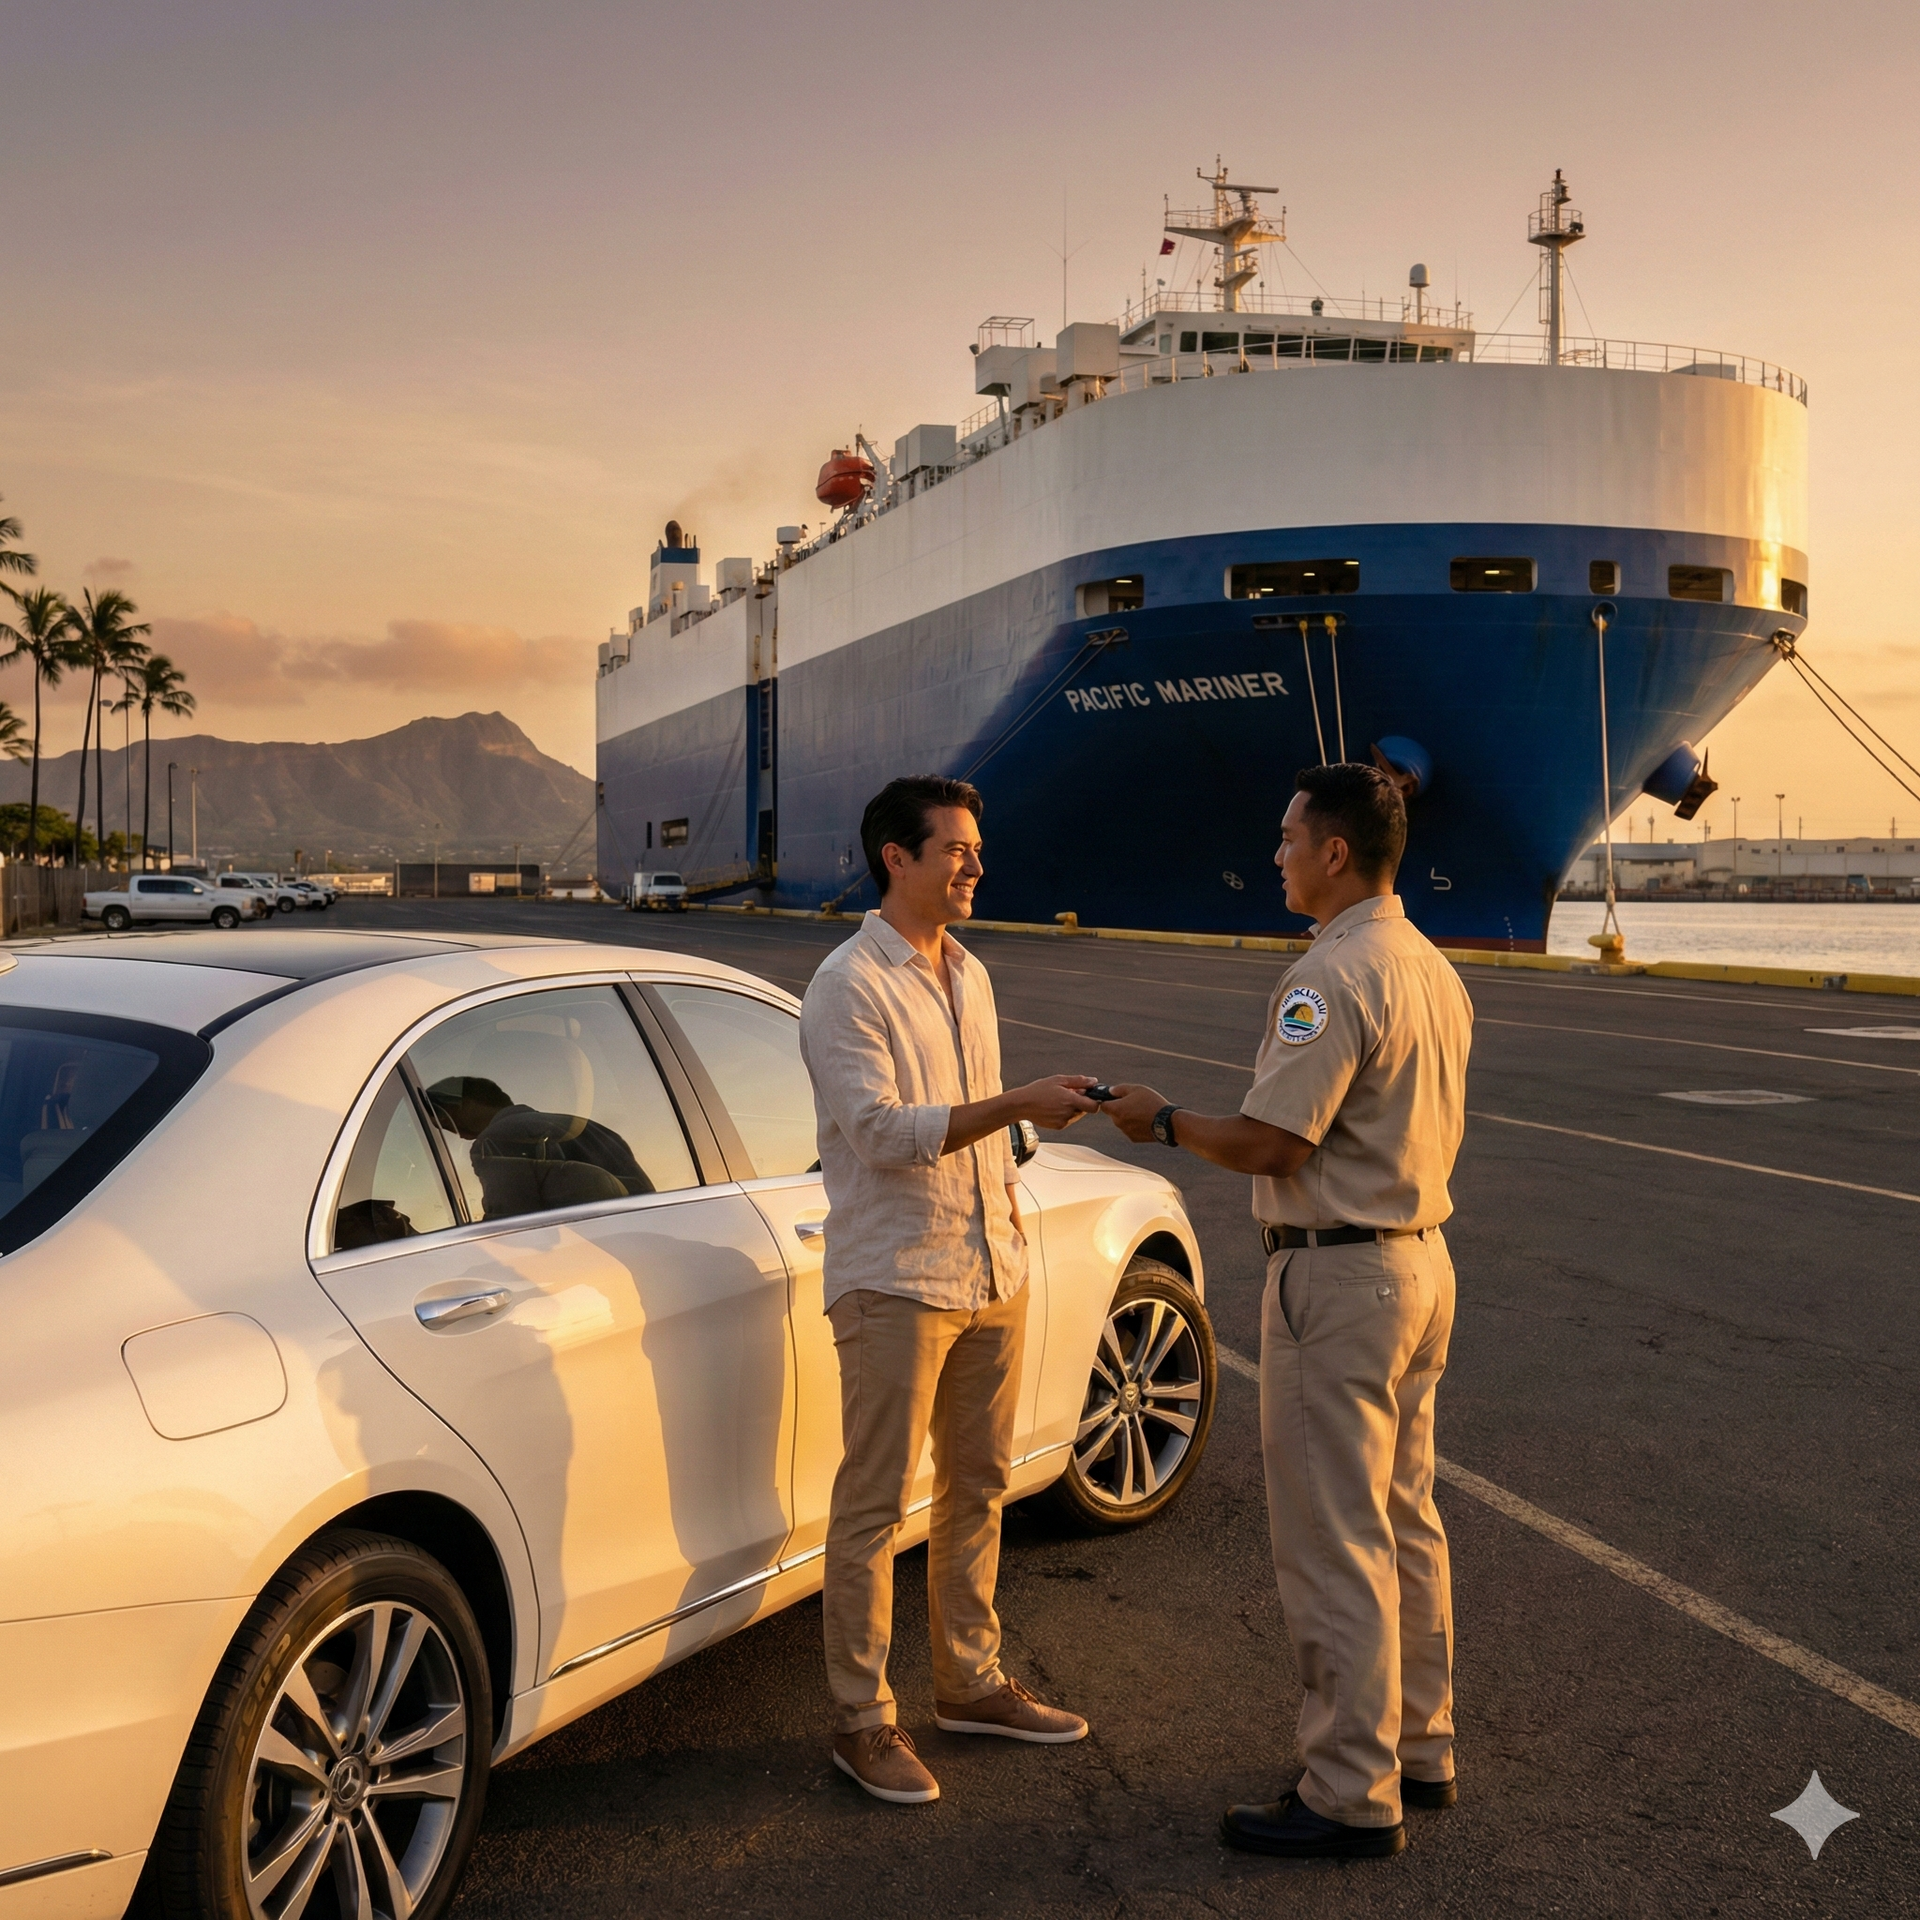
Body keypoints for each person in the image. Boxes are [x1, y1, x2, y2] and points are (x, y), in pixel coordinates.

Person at [1098, 762, 1473, 1860]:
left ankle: (1350, 1792)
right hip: (1420, 1263)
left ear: (1335, 854)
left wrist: (1163, 1121)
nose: (1275, 854)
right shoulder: (1430, 967)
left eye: (1286, 837)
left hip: (1339, 1277)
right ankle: (1419, 1746)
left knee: (1333, 1539)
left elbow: (1276, 1142)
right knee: (1406, 1519)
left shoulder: (1332, 976)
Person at [798, 774, 1100, 1806]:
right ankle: (861, 1721)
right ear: (899, 856)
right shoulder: (848, 983)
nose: (976, 864)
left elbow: (978, 1131)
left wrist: (1017, 1153)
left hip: (988, 1270)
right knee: (875, 1508)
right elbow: (882, 1133)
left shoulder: (969, 973)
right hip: (895, 1281)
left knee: (979, 1489)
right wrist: (1017, 1100)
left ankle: (970, 1684)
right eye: (958, 850)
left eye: (976, 848)